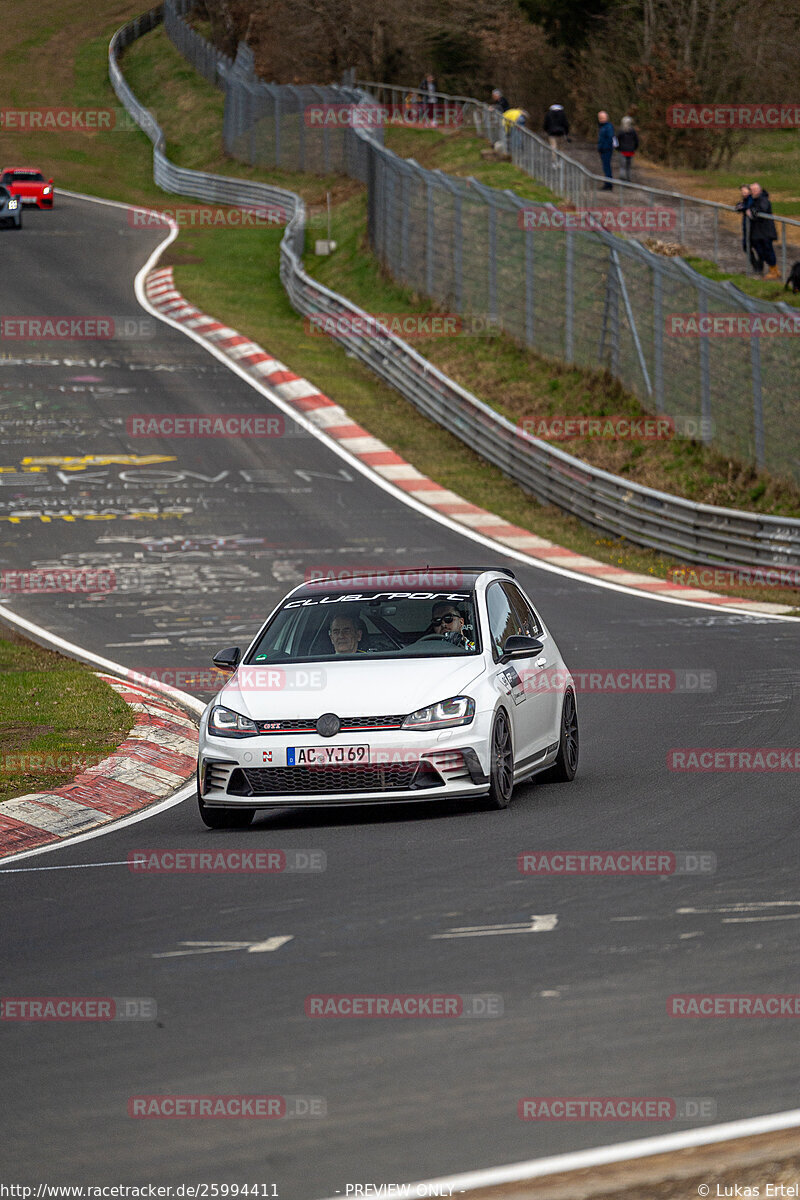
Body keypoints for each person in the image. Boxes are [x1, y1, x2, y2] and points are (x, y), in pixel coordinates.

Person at [747, 181, 779, 279]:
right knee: (760, 250)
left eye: (755, 190)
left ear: (760, 190)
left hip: (766, 231)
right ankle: (772, 269)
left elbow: (762, 209)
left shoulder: (763, 199)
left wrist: (752, 212)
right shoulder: (752, 199)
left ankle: (774, 271)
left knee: (768, 250)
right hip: (758, 232)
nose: (753, 192)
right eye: (752, 190)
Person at [735, 184, 753, 266]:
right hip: (746, 226)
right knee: (746, 246)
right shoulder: (745, 199)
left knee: (749, 246)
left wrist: (741, 207)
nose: (743, 192)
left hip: (752, 227)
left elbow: (747, 207)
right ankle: (756, 266)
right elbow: (740, 207)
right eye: (742, 191)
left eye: (745, 190)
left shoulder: (751, 199)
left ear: (750, 191)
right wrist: (740, 206)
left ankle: (757, 266)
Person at [617, 115, 639, 182]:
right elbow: (636, 141)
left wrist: (617, 148)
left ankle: (622, 178)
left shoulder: (621, 131)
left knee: (622, 166)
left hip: (623, 151)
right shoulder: (633, 132)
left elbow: (616, 140)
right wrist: (634, 148)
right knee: (628, 167)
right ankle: (628, 179)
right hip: (631, 151)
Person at [597, 110, 615, 190]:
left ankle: (608, 183)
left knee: (607, 166)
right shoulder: (602, 127)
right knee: (605, 166)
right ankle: (607, 182)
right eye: (600, 118)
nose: (601, 119)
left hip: (606, 149)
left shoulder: (608, 127)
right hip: (603, 148)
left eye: (602, 118)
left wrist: (604, 147)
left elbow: (609, 138)